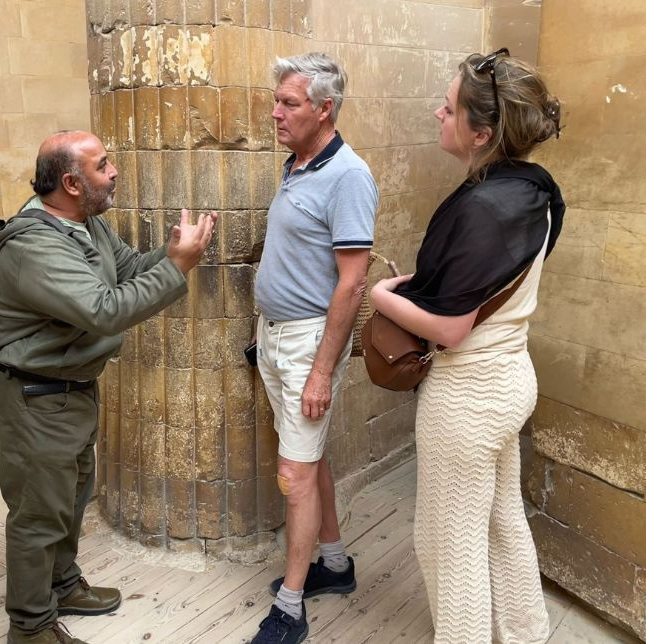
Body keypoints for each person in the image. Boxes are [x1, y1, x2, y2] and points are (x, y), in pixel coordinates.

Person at [0, 130, 217, 644]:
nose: (113, 173)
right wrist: (180, 268)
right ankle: (30, 626)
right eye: (102, 166)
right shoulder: (35, 245)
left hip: (68, 391)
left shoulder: (85, 225)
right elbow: (105, 310)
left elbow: (128, 271)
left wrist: (168, 253)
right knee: (38, 515)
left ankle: (63, 585)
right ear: (70, 182)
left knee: (69, 499)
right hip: (30, 398)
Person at [369, 49, 564, 644]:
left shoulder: (484, 207)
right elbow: (480, 294)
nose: (437, 112)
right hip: (510, 381)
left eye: (448, 108)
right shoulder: (534, 189)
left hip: (469, 396)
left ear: (482, 133)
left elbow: (450, 328)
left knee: (447, 543)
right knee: (503, 523)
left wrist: (380, 295)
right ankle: (526, 633)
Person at [250, 52, 378, 644]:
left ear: (325, 109)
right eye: (276, 100)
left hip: (308, 345)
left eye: (289, 103)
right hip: (275, 336)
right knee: (311, 456)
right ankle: (334, 564)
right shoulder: (299, 164)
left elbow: (352, 282)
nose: (275, 112)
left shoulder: (349, 175)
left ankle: (291, 606)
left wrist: (322, 372)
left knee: (292, 475)